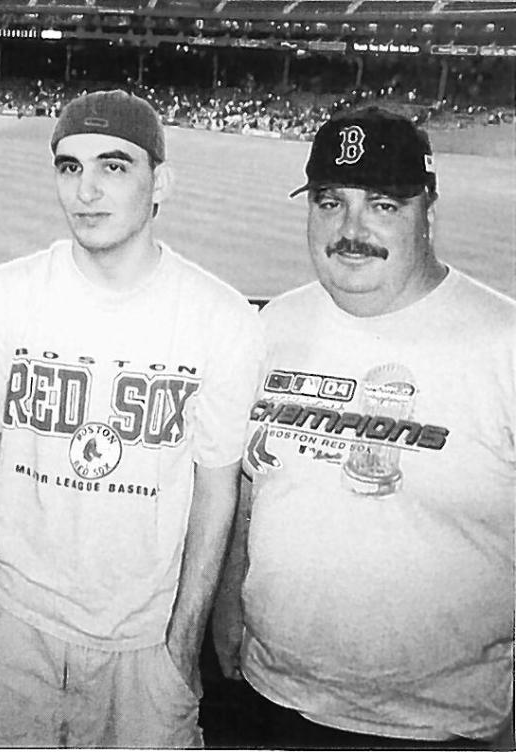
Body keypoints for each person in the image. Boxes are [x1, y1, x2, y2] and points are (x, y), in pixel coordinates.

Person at [0, 90, 264, 747]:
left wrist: (180, 648)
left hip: (144, 648)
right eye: (69, 167)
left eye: (114, 166)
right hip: (10, 632)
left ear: (160, 182)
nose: (86, 191)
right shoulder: (1, 298)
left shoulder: (220, 318)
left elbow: (217, 492)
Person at [212, 107, 516, 748]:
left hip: (440, 724)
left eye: (382, 205)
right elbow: (249, 492)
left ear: (428, 211)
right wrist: (228, 609)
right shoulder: (274, 328)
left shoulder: (504, 344)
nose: (350, 230)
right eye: (330, 202)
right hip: (270, 698)